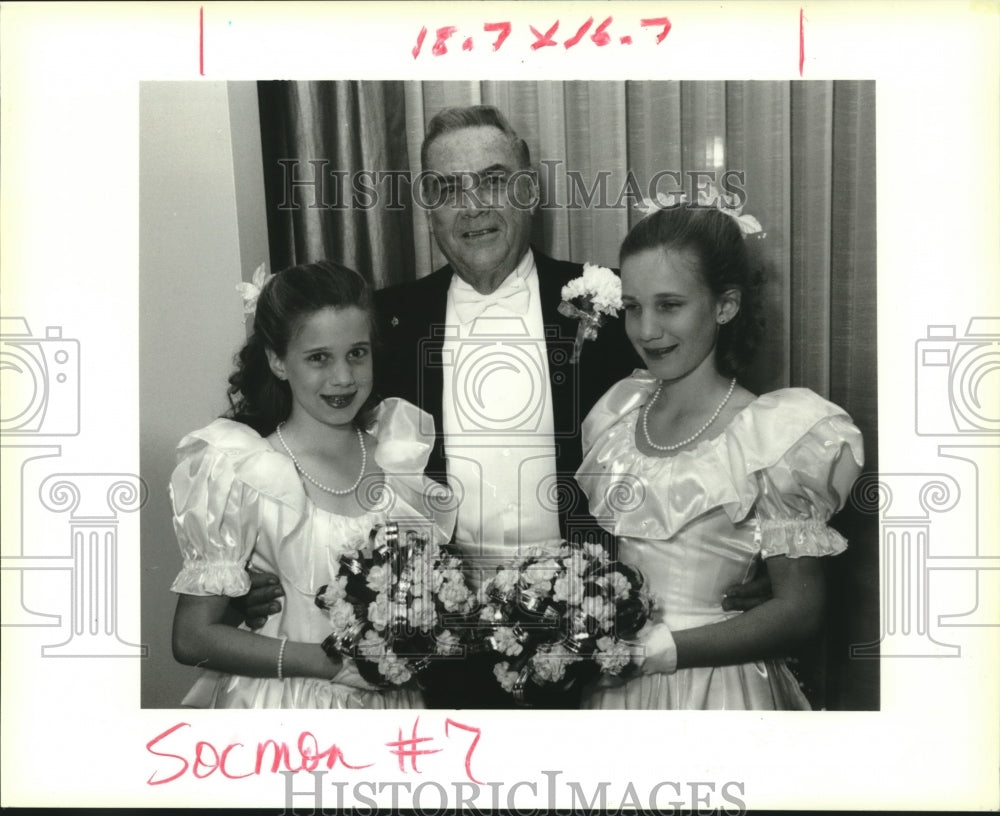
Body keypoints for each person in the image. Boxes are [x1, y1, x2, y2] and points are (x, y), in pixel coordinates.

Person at [241, 105, 771, 707]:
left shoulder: (617, 303)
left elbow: (715, 425)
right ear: (427, 207)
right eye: (447, 189)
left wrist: (751, 552)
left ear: (528, 189)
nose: (473, 206)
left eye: (493, 180)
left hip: (589, 640)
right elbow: (285, 428)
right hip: (425, 643)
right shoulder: (382, 321)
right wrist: (242, 569)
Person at [576, 202, 864, 709]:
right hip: (617, 694)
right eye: (634, 307)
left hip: (717, 690)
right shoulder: (616, 415)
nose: (646, 330)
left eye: (670, 305)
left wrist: (665, 651)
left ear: (724, 306)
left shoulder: (773, 436)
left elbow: (800, 611)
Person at [169, 260, 453, 708]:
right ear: (278, 361)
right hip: (286, 711)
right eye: (319, 357)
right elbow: (192, 638)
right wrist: (333, 663)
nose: (343, 377)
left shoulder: (400, 458)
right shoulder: (243, 470)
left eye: (357, 353)